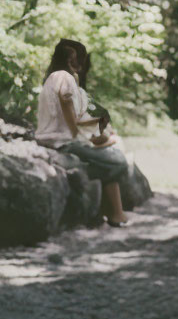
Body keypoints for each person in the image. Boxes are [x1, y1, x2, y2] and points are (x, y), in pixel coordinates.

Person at [35, 40, 129, 227]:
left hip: (58, 140)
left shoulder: (53, 77)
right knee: (118, 161)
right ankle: (112, 211)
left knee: (112, 158)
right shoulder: (64, 77)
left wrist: (97, 129)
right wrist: (87, 134)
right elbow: (70, 114)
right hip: (63, 143)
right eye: (80, 57)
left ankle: (116, 215)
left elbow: (71, 116)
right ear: (72, 59)